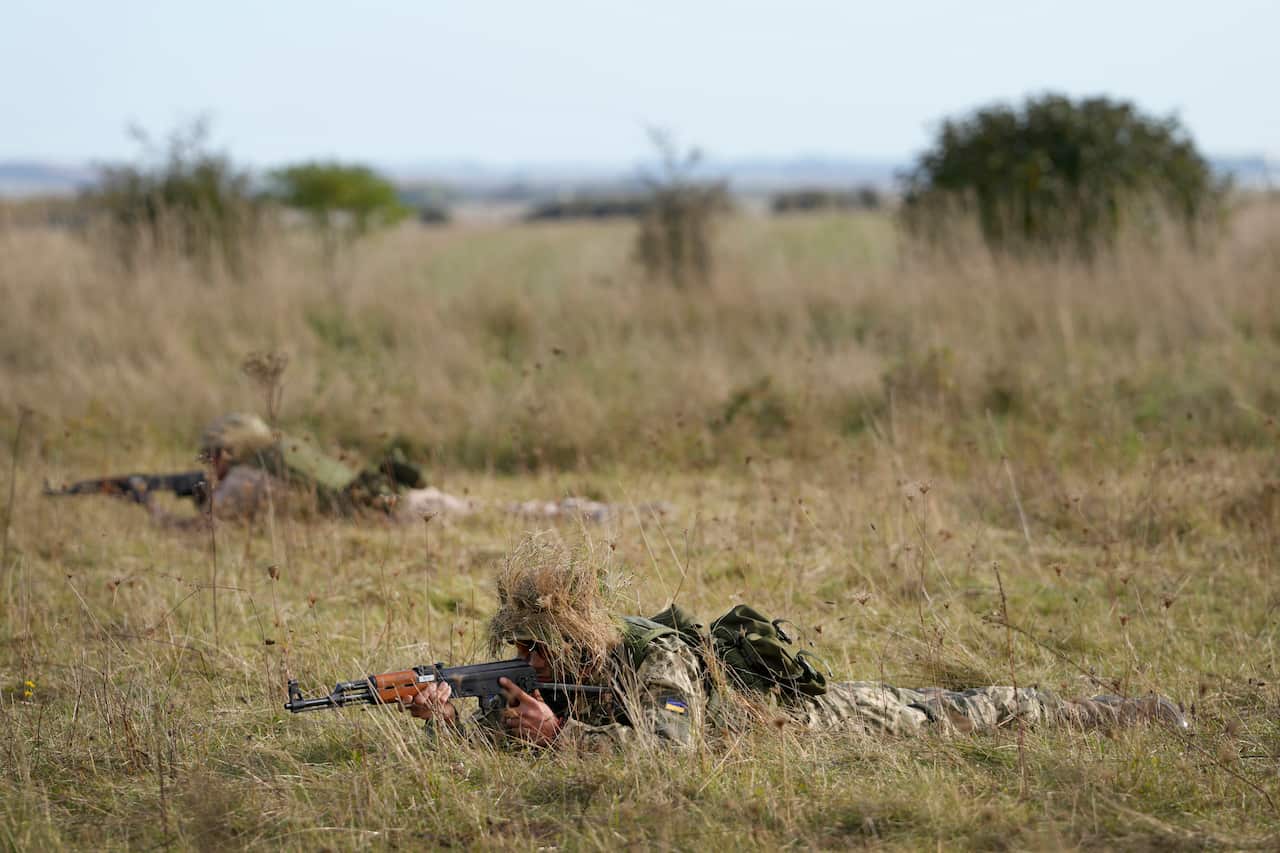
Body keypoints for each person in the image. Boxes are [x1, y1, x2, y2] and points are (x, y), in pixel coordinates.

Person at [401, 538, 1189, 750]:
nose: (529, 671)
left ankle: (1108, 714)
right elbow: (516, 738)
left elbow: (667, 752)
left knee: (958, 713)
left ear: (572, 641)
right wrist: (448, 723)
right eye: (522, 656)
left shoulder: (655, 657)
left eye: (539, 654)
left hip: (806, 723)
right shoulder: (558, 681)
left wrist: (561, 736)